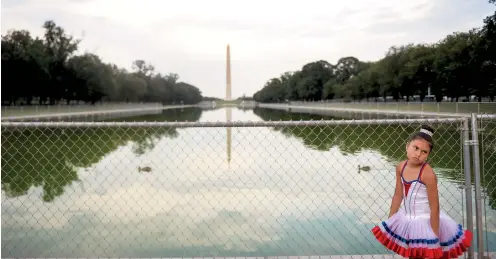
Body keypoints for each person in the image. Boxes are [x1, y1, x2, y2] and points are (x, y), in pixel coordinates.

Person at [371, 125, 472, 259]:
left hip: (427, 222)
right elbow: (398, 195)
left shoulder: (427, 173)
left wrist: (434, 237)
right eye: (416, 148)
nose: (418, 154)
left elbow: (434, 207)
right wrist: (391, 220)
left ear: (428, 154)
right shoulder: (401, 166)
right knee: (413, 254)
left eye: (424, 152)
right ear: (407, 146)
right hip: (407, 219)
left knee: (433, 256)